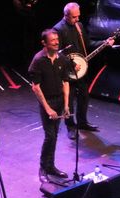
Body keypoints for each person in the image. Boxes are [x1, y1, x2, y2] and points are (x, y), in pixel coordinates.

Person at [53, 2, 114, 140]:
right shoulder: (58, 29)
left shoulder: (79, 26)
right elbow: (57, 53)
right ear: (66, 15)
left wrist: (103, 43)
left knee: (84, 97)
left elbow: (88, 44)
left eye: (78, 16)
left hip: (81, 71)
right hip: (68, 71)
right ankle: (71, 126)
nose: (77, 19)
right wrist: (71, 63)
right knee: (68, 100)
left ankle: (82, 122)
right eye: (74, 17)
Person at [28, 29, 70, 183]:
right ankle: (43, 167)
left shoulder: (62, 59)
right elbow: (36, 87)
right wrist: (47, 108)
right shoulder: (38, 61)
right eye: (53, 40)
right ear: (44, 43)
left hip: (59, 100)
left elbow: (65, 82)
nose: (57, 42)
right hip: (48, 102)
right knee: (50, 135)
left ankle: (50, 165)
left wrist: (66, 104)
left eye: (57, 39)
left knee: (55, 135)